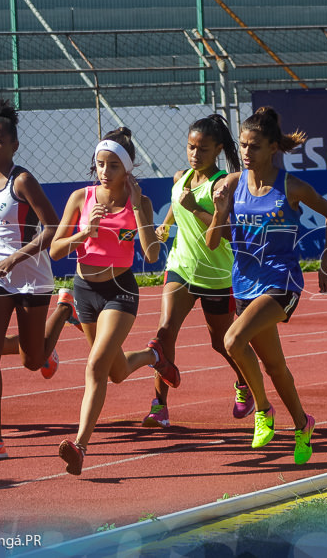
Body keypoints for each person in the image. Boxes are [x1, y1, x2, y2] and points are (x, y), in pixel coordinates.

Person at [205, 106, 327, 465]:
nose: (246, 153)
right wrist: (219, 211)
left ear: (273, 148)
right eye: (243, 146)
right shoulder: (231, 185)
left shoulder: (291, 187)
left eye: (255, 147)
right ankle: (303, 424)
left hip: (283, 281)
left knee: (232, 340)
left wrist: (324, 264)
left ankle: (263, 410)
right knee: (275, 368)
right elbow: (212, 244)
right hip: (245, 283)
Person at [50, 128, 179, 476]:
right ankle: (155, 355)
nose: (104, 171)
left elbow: (152, 256)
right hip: (84, 291)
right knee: (116, 371)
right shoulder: (81, 198)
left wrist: (138, 210)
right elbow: (55, 250)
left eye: (112, 165)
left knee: (94, 368)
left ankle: (79, 446)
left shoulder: (141, 201)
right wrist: (83, 233)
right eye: (100, 163)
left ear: (128, 168)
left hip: (120, 291)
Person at [0, 99, 77, 461]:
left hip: (30, 276)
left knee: (33, 360)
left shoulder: (23, 181)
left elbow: (54, 227)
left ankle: (62, 310)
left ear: (14, 144)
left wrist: (16, 257)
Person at [143, 114, 250, 429]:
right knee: (164, 334)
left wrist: (195, 209)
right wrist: (164, 227)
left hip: (215, 275)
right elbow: (175, 214)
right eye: (191, 147)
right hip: (180, 268)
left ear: (217, 149)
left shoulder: (224, 183)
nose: (195, 154)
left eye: (202, 149)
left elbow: (228, 232)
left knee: (222, 342)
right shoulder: (180, 177)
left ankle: (244, 382)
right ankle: (159, 406)